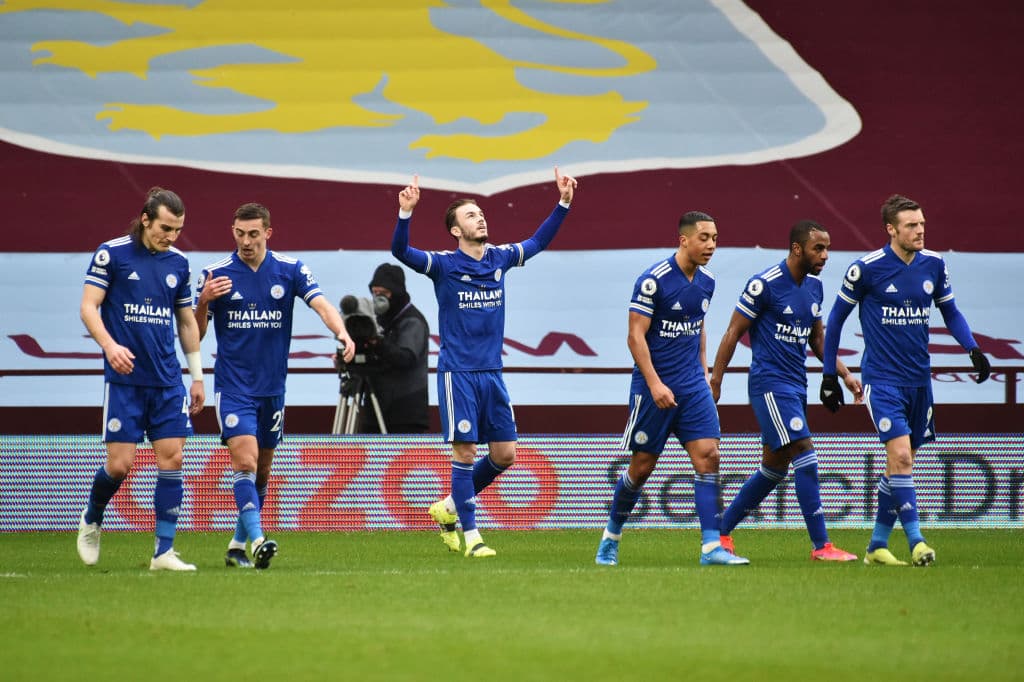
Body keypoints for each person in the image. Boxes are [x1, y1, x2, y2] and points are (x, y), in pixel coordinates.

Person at [392, 168, 577, 558]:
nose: (480, 219)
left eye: (480, 213)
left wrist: (562, 203)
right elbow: (401, 252)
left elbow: (538, 242)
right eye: (470, 215)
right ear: (455, 230)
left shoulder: (499, 257)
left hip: (492, 373)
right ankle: (473, 537)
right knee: (465, 452)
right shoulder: (443, 265)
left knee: (505, 454)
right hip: (458, 373)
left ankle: (448, 507)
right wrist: (406, 212)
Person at [820, 194, 991, 566]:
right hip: (882, 381)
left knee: (900, 464)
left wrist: (973, 348)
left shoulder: (934, 265)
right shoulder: (866, 269)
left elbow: (950, 311)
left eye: (922, 223)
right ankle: (917, 542)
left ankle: (876, 546)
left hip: (919, 382)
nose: (920, 230)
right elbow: (835, 320)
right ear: (891, 230)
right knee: (900, 456)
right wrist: (830, 375)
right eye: (912, 225)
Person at [194, 202, 355, 569]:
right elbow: (196, 333)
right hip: (233, 388)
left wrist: (342, 332)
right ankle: (258, 539)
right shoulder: (215, 275)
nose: (246, 241)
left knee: (263, 470)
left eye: (253, 234)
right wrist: (203, 302)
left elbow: (321, 305)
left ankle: (237, 547)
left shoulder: (290, 269)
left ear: (268, 232)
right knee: (245, 461)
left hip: (272, 390)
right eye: (239, 234)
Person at [596, 211, 749, 567]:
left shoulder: (708, 281)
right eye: (704, 238)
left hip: (692, 386)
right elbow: (635, 337)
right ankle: (610, 538)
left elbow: (699, 327)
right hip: (654, 387)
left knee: (709, 456)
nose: (711, 245)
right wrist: (654, 384)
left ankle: (711, 548)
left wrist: (705, 374)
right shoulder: (654, 281)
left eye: (715, 238)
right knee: (642, 467)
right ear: (684, 240)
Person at [709, 220, 861, 561]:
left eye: (827, 248)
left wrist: (845, 374)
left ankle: (721, 532)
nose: (825, 255)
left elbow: (818, 339)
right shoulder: (764, 284)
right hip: (770, 385)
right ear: (796, 249)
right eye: (818, 248)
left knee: (774, 468)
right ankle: (822, 546)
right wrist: (716, 381)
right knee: (806, 454)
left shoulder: (815, 287)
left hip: (796, 386)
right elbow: (733, 332)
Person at [76, 186, 205, 571]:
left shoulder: (179, 263)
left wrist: (197, 376)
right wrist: (110, 346)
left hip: (167, 380)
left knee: (173, 458)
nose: (171, 236)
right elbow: (88, 307)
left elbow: (186, 322)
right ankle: (92, 517)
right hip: (126, 381)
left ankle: (163, 552)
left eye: (178, 230)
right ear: (146, 219)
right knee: (120, 465)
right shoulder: (111, 254)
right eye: (166, 228)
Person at [353, 263, 430, 434]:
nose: (378, 298)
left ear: (397, 293)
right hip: (376, 409)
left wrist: (377, 341)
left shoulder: (413, 321)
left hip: (405, 414)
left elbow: (405, 358)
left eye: (384, 293)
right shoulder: (377, 320)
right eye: (375, 292)